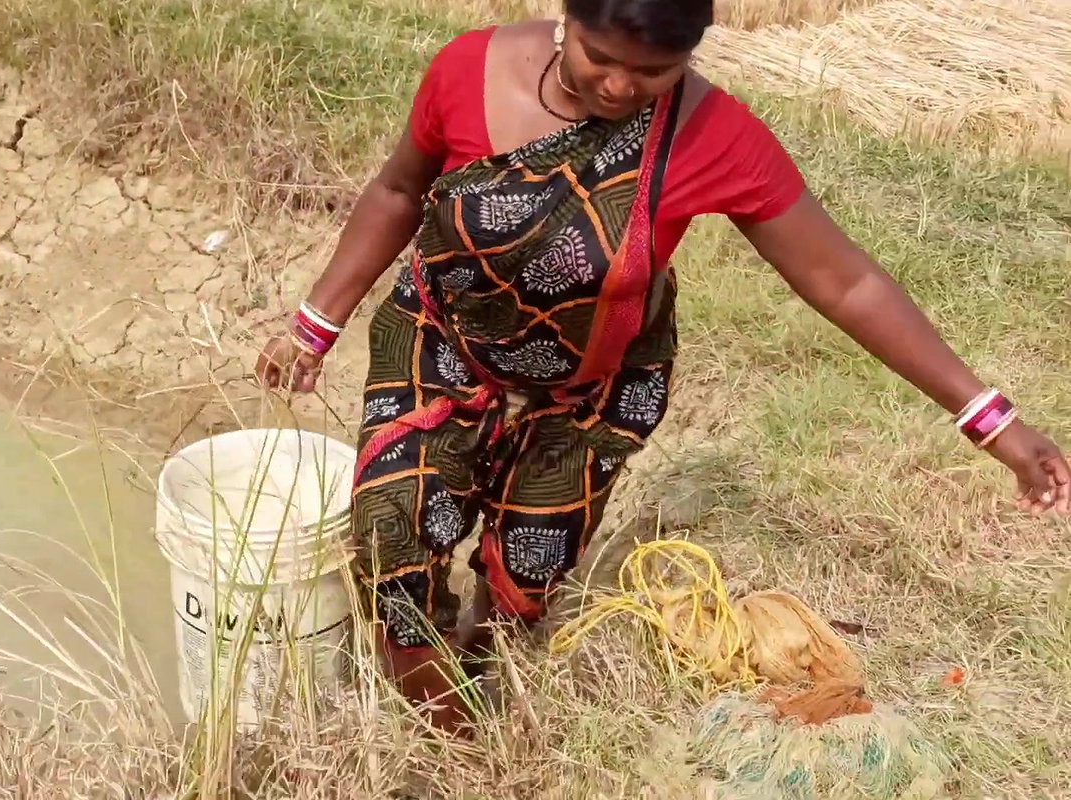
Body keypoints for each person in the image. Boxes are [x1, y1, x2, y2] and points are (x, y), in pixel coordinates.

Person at [254, 0, 1070, 732]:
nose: (617, 88)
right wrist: (314, 324)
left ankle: (481, 657)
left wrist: (989, 420)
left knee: (528, 569)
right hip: (442, 343)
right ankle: (449, 739)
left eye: (652, 71)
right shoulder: (467, 70)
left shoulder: (710, 134)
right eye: (600, 59)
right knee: (394, 543)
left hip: (591, 385)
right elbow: (399, 190)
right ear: (566, 18)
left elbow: (844, 280)